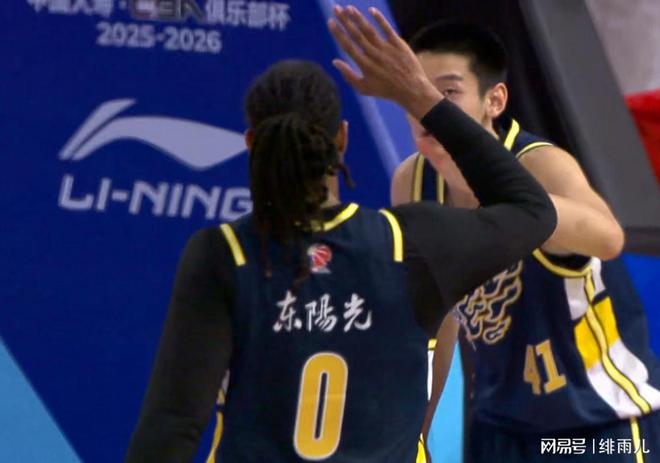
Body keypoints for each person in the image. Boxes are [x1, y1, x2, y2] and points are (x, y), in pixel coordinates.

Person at [124, 7, 557, 463]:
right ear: (343, 140)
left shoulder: (225, 254)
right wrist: (421, 98)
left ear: (251, 143)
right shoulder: (411, 244)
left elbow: (174, 422)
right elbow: (532, 210)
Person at [391, 20, 660, 463]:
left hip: (596, 422)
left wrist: (512, 202)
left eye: (448, 92)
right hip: (499, 427)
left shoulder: (542, 167)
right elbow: (436, 319)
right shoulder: (412, 183)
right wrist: (417, 431)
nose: (428, 108)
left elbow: (610, 239)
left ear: (494, 100)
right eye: (416, 91)